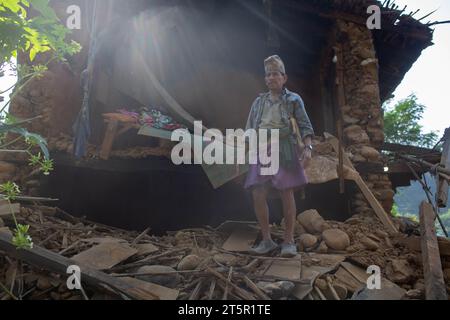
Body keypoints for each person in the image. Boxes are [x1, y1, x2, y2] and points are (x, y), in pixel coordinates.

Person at [245, 55, 314, 257]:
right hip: (262, 146)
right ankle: (267, 240)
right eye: (268, 74)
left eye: (275, 74)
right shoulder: (259, 102)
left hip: (284, 146)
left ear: (284, 77)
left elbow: (305, 126)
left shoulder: (293, 99)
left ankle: (289, 241)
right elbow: (250, 128)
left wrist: (308, 148)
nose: (271, 78)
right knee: (257, 191)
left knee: (286, 191)